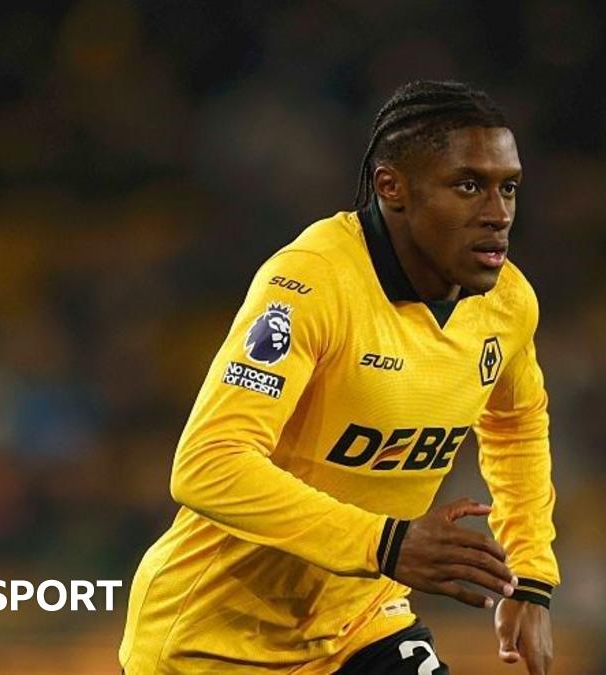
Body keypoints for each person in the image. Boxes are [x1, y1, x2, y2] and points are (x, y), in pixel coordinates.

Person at [119, 80, 559, 674]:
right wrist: (387, 543)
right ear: (391, 187)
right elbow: (208, 463)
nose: (498, 213)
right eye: (468, 186)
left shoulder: (507, 302)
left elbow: (517, 424)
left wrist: (530, 576)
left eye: (508, 187)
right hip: (216, 643)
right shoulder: (311, 283)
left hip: (362, 627)